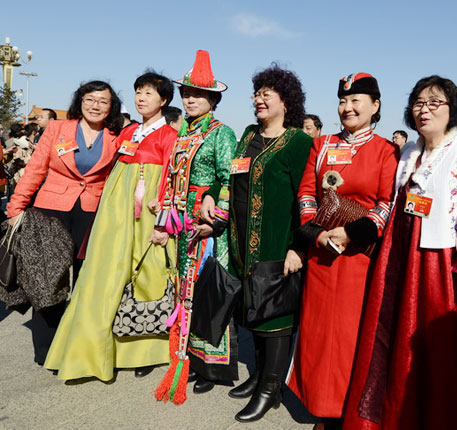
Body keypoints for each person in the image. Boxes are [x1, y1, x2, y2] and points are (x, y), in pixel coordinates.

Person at [340, 76, 457, 430]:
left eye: (435, 102)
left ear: (453, 108)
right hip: (400, 255)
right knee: (394, 340)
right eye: (419, 103)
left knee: (441, 349)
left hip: (442, 265)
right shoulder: (410, 153)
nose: (425, 110)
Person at [43, 71, 178, 381]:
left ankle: (145, 351)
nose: (141, 98)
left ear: (164, 100)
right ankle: (92, 349)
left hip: (146, 214)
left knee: (146, 275)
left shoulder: (169, 136)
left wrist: (162, 220)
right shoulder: (128, 131)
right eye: (138, 92)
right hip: (114, 212)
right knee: (102, 276)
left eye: (149, 93)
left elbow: (171, 180)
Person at [287, 73, 398, 429]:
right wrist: (316, 233)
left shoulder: (385, 150)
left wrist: (352, 233)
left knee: (352, 335)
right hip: (322, 255)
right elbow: (307, 192)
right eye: (342, 101)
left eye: (356, 101)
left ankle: (351, 408)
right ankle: (322, 406)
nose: (347, 107)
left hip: (359, 259)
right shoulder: (322, 145)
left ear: (375, 106)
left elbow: (386, 204)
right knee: (319, 334)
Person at [211, 64, 312, 422]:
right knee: (252, 309)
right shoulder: (248, 135)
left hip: (276, 241)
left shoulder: (298, 142)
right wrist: (211, 195)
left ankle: (271, 388)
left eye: (268, 93)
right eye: (257, 94)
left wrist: (298, 246)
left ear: (286, 101)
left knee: (275, 314)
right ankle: (257, 376)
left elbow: (307, 197)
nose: (259, 99)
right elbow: (230, 176)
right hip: (242, 243)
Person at [6, 80, 123, 366]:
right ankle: (46, 350)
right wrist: (16, 206)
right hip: (50, 212)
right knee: (49, 280)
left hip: (92, 214)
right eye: (90, 99)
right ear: (80, 101)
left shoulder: (115, 136)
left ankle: (77, 346)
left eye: (103, 101)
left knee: (87, 280)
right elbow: (36, 168)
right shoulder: (58, 128)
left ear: (111, 107)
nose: (95, 105)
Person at [151, 50, 238, 403]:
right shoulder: (181, 135)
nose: (190, 100)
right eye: (187, 94)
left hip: (205, 228)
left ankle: (209, 366)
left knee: (205, 293)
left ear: (213, 100)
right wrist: (163, 223)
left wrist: (215, 221)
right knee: (183, 293)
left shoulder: (222, 134)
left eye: (198, 95)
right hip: (180, 227)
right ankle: (184, 356)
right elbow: (171, 183)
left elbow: (229, 179)